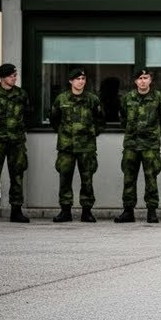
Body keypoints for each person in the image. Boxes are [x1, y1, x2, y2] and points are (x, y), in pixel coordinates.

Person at [115, 68, 161, 224]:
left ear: (150, 80)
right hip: (131, 145)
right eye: (139, 78)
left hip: (150, 146)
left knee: (151, 178)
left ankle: (152, 211)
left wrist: (155, 134)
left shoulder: (158, 98)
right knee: (128, 178)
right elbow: (123, 119)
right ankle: (128, 212)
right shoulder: (128, 98)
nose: (142, 81)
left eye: (145, 77)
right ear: (135, 81)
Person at [49, 67, 105, 223]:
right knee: (65, 179)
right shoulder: (61, 99)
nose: (81, 82)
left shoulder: (92, 100)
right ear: (70, 81)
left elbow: (100, 120)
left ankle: (86, 211)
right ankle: (65, 211)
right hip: (66, 147)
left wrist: (91, 133)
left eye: (83, 79)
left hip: (86, 148)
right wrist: (64, 134)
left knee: (87, 180)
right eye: (78, 79)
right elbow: (54, 120)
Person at [0, 63, 32, 223]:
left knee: (17, 176)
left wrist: (21, 129)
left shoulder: (21, 94)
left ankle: (16, 211)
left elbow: (28, 114)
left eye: (15, 75)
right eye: (12, 76)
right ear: (3, 77)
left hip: (16, 141)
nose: (14, 78)